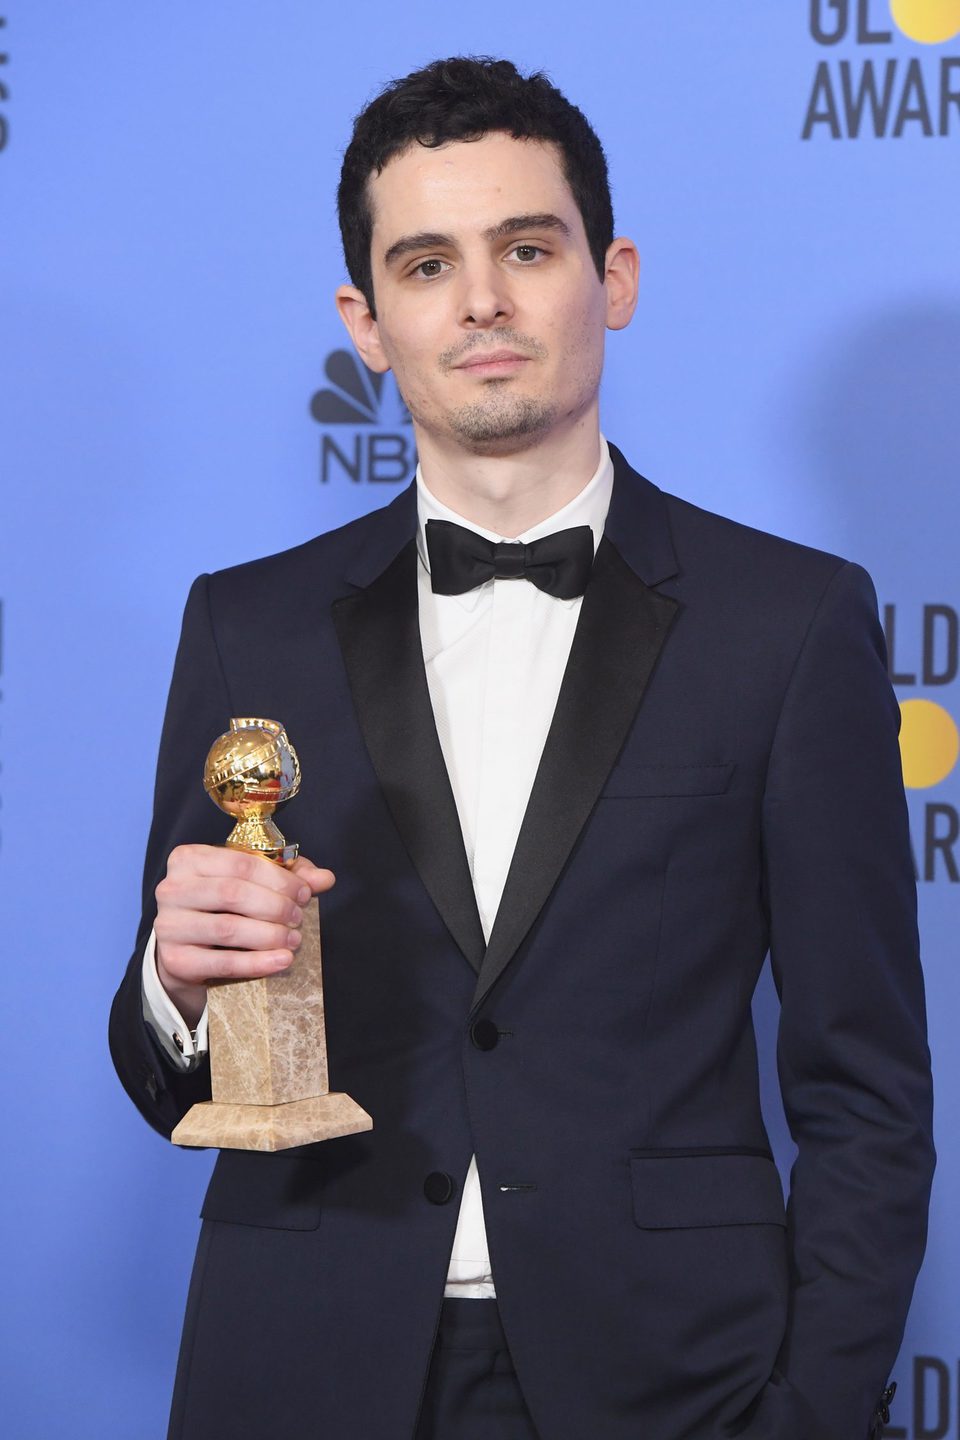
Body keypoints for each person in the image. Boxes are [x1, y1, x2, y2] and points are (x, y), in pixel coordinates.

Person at [109, 56, 934, 1440]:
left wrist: (815, 1410)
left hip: (680, 1381)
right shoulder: (247, 625)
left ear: (610, 277)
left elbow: (868, 1091)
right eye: (426, 263)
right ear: (365, 323)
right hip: (304, 1366)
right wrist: (173, 988)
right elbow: (163, 1074)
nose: (482, 299)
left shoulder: (787, 625)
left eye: (526, 248)